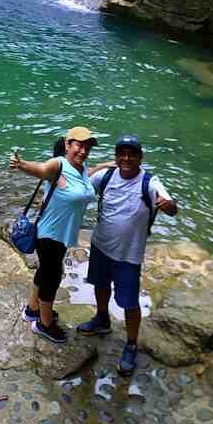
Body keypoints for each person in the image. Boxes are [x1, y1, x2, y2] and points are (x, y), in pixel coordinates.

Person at [77, 134, 178, 375]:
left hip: (129, 255)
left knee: (130, 303)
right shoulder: (107, 176)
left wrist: (169, 206)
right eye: (121, 153)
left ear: (140, 157)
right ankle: (102, 319)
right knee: (100, 285)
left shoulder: (150, 183)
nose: (126, 158)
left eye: (131, 153)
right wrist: (97, 166)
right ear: (116, 156)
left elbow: (171, 206)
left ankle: (131, 344)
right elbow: (79, 188)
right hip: (101, 245)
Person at [9, 126, 100, 343]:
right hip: (50, 235)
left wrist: (107, 165)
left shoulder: (82, 168)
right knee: (52, 277)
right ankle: (44, 324)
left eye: (87, 147)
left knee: (45, 271)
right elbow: (41, 169)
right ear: (68, 145)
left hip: (61, 234)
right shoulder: (58, 164)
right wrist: (21, 164)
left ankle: (32, 309)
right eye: (79, 145)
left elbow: (89, 174)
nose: (83, 151)